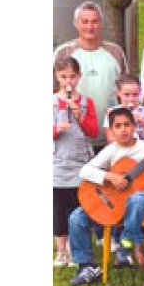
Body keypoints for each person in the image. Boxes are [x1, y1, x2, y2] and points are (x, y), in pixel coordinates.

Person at [67, 107, 144, 286]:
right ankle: (86, 267)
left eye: (127, 125)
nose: (123, 129)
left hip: (142, 202)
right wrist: (110, 176)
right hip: (115, 203)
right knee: (77, 217)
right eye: (118, 126)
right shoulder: (111, 150)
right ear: (112, 130)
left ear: (134, 127)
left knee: (138, 198)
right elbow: (85, 171)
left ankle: (126, 246)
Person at [53, 1, 129, 152]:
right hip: (72, 140)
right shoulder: (64, 53)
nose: (90, 26)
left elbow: (127, 90)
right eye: (85, 22)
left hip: (111, 136)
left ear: (101, 24)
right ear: (76, 24)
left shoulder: (115, 52)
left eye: (94, 21)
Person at [53, 57, 99, 267]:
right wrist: (56, 130)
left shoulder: (86, 102)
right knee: (58, 208)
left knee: (76, 207)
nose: (68, 81)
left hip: (79, 161)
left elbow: (93, 131)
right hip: (57, 163)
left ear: (79, 77)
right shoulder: (51, 102)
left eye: (72, 76)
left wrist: (80, 117)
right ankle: (61, 251)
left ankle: (75, 248)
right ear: (57, 77)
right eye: (64, 77)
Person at [104, 74, 144, 144]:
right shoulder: (111, 112)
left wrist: (143, 124)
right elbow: (110, 140)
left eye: (135, 94)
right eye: (126, 95)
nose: (131, 99)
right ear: (118, 93)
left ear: (140, 93)